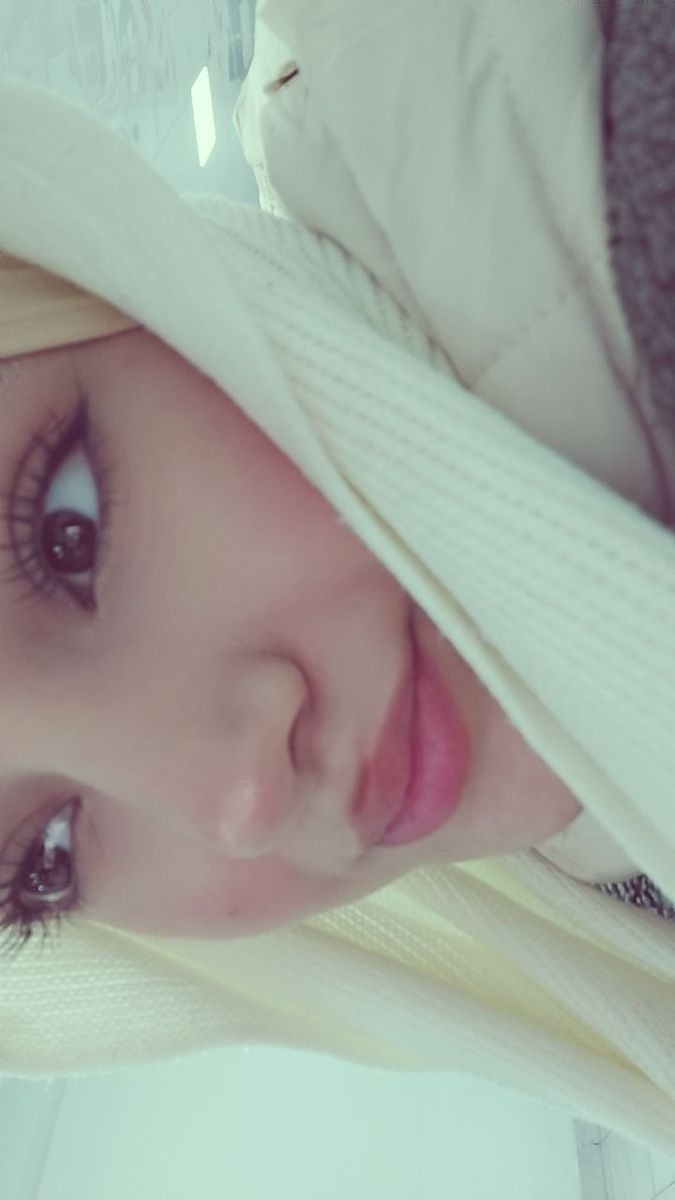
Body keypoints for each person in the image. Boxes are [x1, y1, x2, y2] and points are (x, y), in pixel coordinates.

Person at [0, 0, 674, 1160]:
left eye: (67, 533)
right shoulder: (596, 854)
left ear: (90, 259)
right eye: (43, 859)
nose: (241, 801)